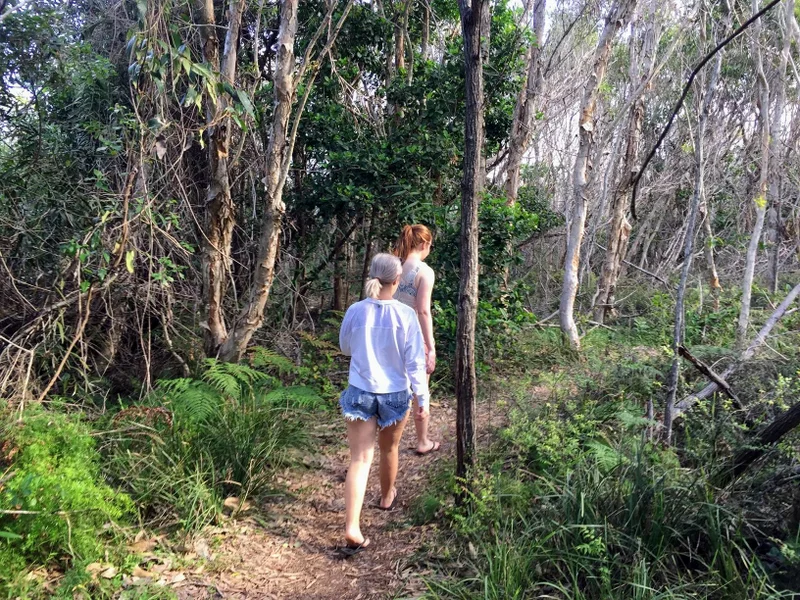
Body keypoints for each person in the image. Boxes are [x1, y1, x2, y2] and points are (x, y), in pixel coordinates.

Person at [338, 253, 429, 556]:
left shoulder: (355, 310)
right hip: (394, 394)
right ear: (398, 280)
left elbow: (345, 347)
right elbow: (415, 363)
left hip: (360, 390)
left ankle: (353, 526)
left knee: (359, 460)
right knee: (389, 449)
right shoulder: (405, 315)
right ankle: (387, 497)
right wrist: (422, 398)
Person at [393, 224, 440, 455]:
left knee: (393, 387)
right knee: (420, 389)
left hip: (389, 336)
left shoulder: (393, 266)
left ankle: (386, 441)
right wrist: (430, 346)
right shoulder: (424, 272)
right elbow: (422, 311)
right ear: (424, 244)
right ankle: (422, 441)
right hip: (413, 338)